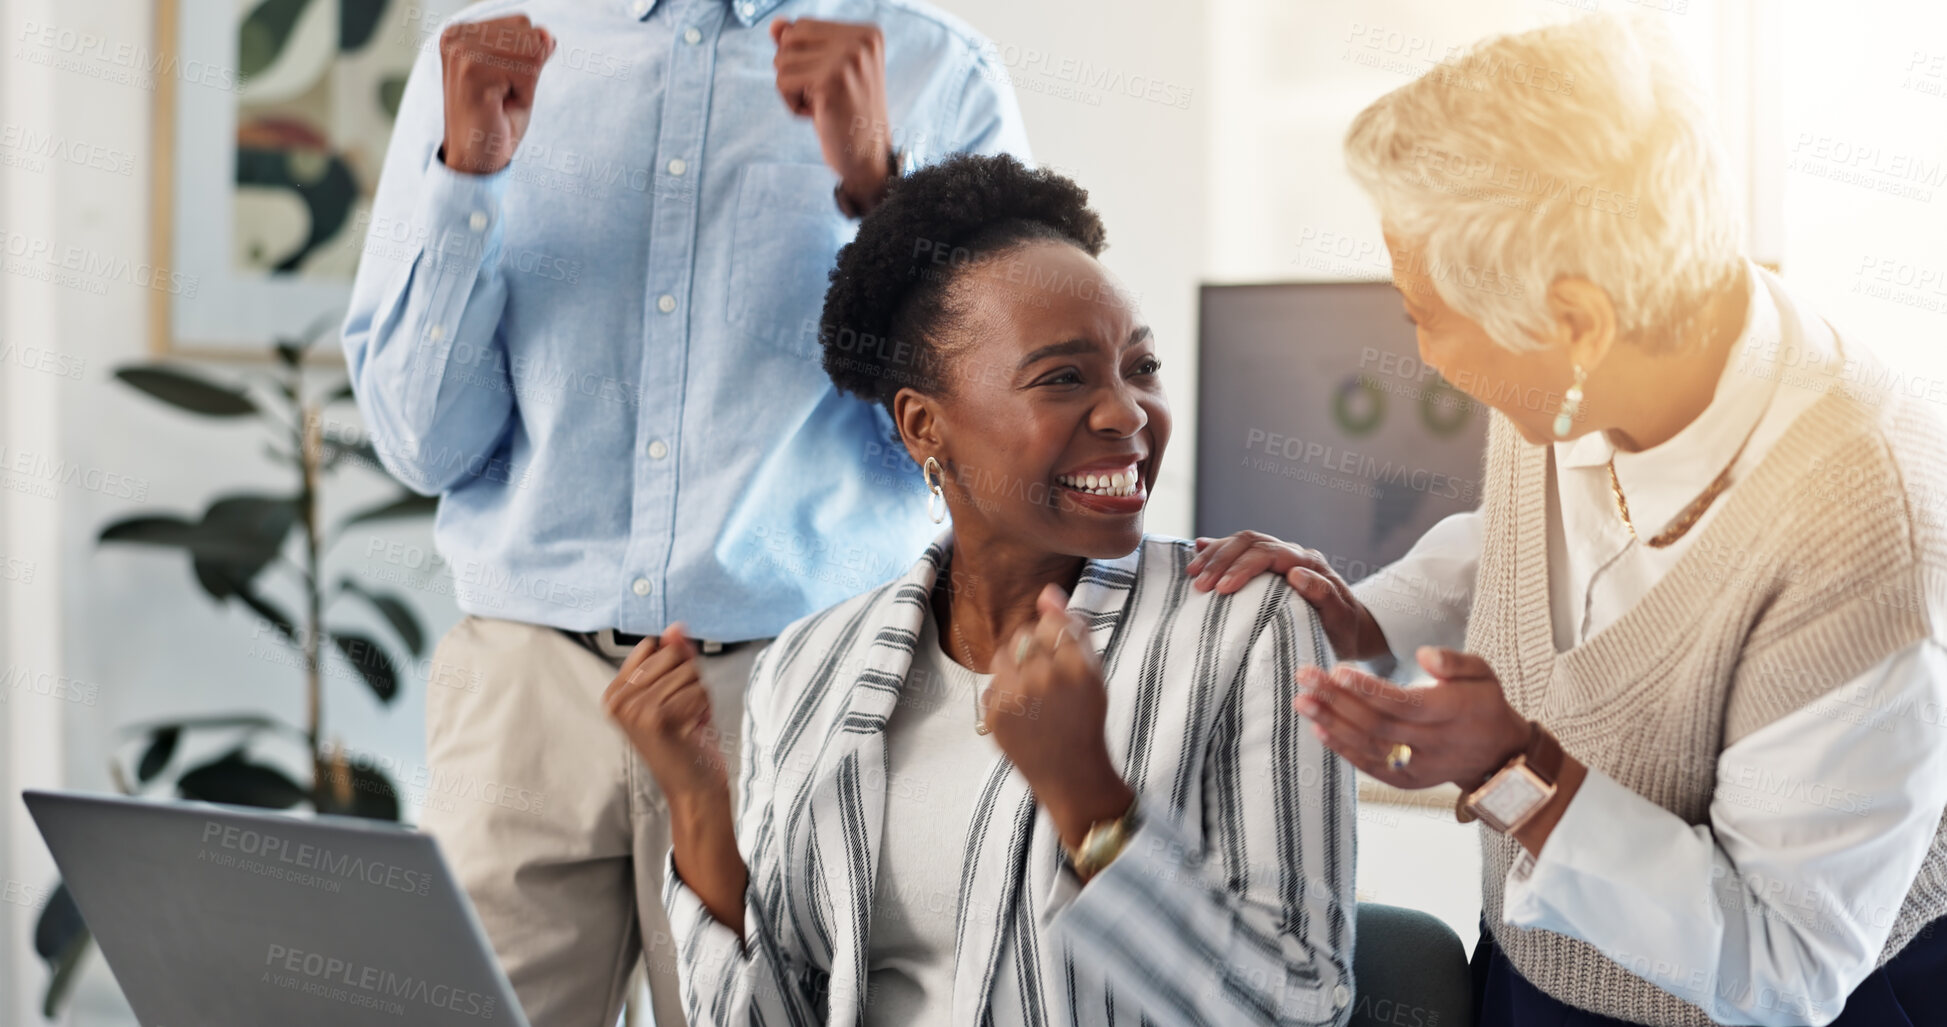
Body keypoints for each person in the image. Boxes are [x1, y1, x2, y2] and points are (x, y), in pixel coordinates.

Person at [1189, 13, 1947, 1027]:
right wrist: (1356, 621)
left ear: (1577, 323)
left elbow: (1784, 968)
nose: (1419, 348)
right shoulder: (1595, 366)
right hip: (1543, 958)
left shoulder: (1867, 530)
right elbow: (1518, 552)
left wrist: (1513, 774)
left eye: (1423, 313)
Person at [340, 2, 1028, 1023]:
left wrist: (883, 196)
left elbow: (992, 452)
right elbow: (424, 444)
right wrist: (468, 181)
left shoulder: (941, 71)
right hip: (523, 696)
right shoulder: (485, 45)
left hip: (797, 697)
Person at [603, 153, 1358, 1026]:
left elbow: (1301, 1003)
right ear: (924, 425)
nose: (1127, 414)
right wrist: (697, 802)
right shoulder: (807, 667)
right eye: (1064, 377)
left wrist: (1087, 797)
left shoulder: (1247, 625)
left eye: (1139, 367)